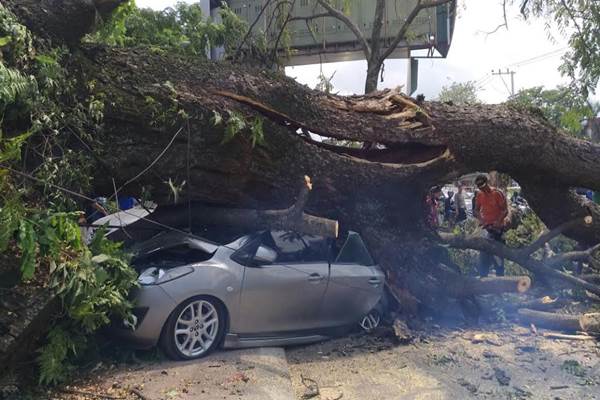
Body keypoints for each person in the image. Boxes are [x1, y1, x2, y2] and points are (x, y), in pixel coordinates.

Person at [474, 175, 509, 277]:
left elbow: (505, 210)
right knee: (484, 254)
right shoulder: (480, 195)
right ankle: (483, 277)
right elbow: (476, 210)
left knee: (498, 256)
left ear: (487, 183)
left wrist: (498, 221)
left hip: (498, 229)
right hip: (487, 228)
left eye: (482, 185)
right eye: (479, 186)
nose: (481, 188)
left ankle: (500, 278)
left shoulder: (497, 193)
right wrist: (481, 219)